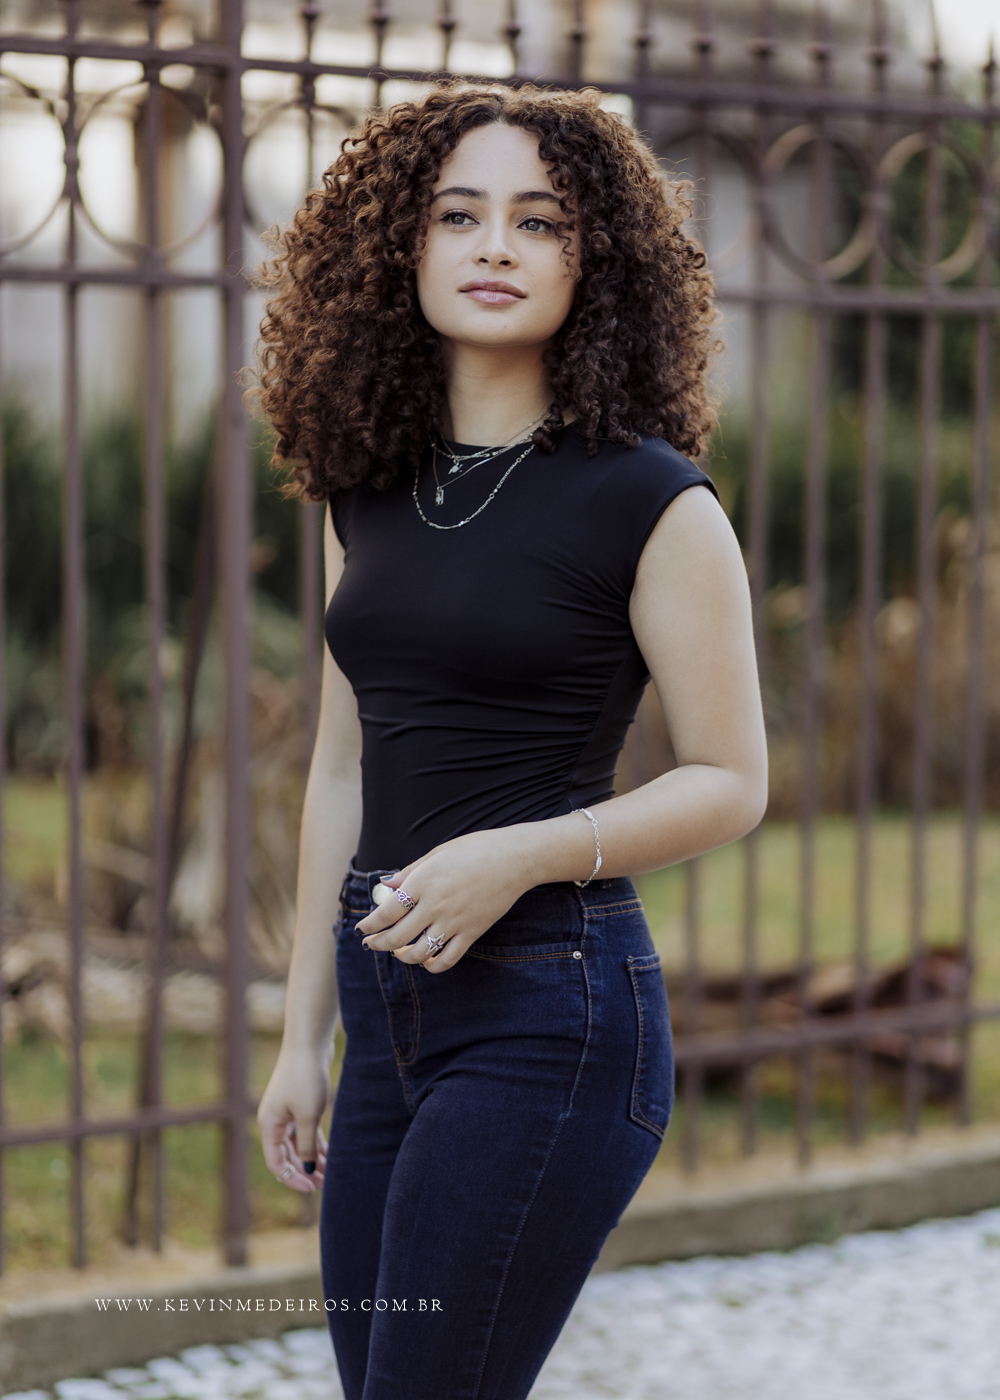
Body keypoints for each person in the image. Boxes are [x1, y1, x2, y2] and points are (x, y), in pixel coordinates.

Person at [251, 81, 767, 1400]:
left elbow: (732, 781)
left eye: (536, 222)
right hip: (385, 1005)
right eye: (458, 215)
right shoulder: (366, 485)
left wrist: (520, 858)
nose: (492, 247)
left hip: (551, 1008)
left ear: (594, 258)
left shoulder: (652, 498)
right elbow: (342, 766)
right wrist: (304, 1038)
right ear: (401, 246)